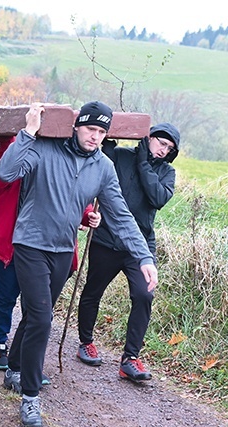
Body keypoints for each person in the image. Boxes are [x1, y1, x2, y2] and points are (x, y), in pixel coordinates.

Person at [0, 101, 158, 427]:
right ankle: (30, 397)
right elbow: (4, 173)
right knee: (42, 317)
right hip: (29, 243)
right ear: (76, 126)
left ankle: (13, 368)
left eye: (102, 131)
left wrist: (144, 257)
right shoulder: (44, 148)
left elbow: (122, 216)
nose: (95, 136)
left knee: (35, 315)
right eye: (90, 129)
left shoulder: (103, 167)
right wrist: (28, 132)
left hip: (61, 250)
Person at [0, 137, 99, 371]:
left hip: (45, 247)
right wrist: (9, 144)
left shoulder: (63, 154)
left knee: (36, 305)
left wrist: (88, 214)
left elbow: (73, 194)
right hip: (11, 242)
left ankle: (27, 355)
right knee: (3, 297)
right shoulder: (18, 145)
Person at [76, 123, 179, 381]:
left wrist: (145, 162)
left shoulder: (167, 173)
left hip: (140, 245)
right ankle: (85, 342)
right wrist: (109, 142)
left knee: (144, 295)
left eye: (169, 148)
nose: (163, 150)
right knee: (93, 290)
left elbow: (157, 198)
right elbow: (100, 164)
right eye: (160, 143)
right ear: (148, 138)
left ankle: (130, 359)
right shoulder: (121, 156)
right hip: (106, 239)